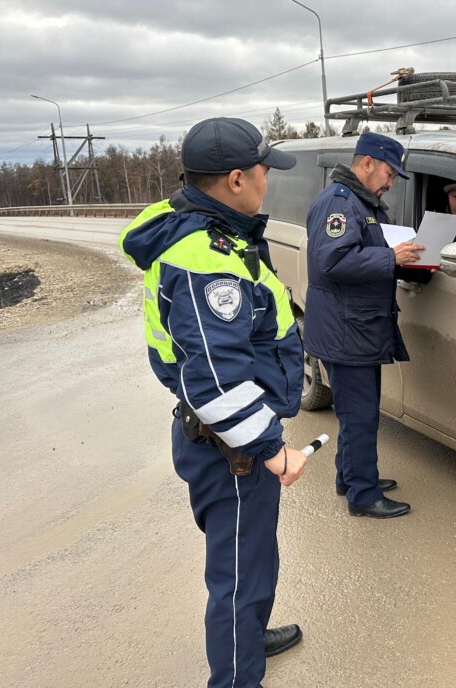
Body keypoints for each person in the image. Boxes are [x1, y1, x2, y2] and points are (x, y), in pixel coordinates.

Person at [119, 117, 308, 687]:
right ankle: (234, 671)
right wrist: (273, 449)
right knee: (239, 575)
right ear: (233, 180)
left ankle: (246, 635)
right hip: (234, 449)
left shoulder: (197, 223)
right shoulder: (207, 260)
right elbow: (214, 383)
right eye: (262, 171)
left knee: (250, 560)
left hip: (227, 441)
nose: (267, 181)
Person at [303, 132, 424, 519]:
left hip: (356, 327)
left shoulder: (361, 201)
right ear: (367, 162)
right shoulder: (339, 203)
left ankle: (350, 477)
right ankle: (363, 495)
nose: (391, 182)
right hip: (346, 330)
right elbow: (332, 262)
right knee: (361, 415)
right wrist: (391, 257)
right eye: (389, 172)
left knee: (358, 412)